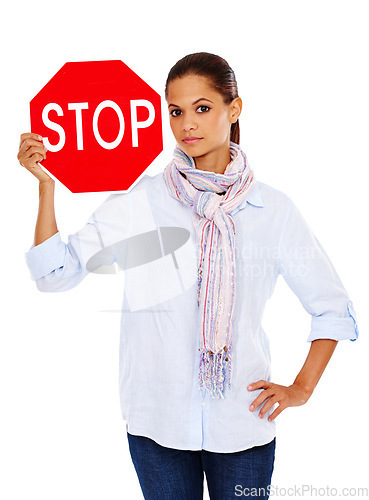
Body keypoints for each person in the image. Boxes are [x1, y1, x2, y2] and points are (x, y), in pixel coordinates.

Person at [18, 52, 359, 500]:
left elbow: (332, 308)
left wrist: (300, 389)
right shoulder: (143, 200)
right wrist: (47, 186)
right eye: (175, 111)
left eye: (202, 108)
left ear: (233, 110)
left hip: (243, 424)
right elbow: (55, 273)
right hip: (157, 424)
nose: (186, 125)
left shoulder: (272, 210)